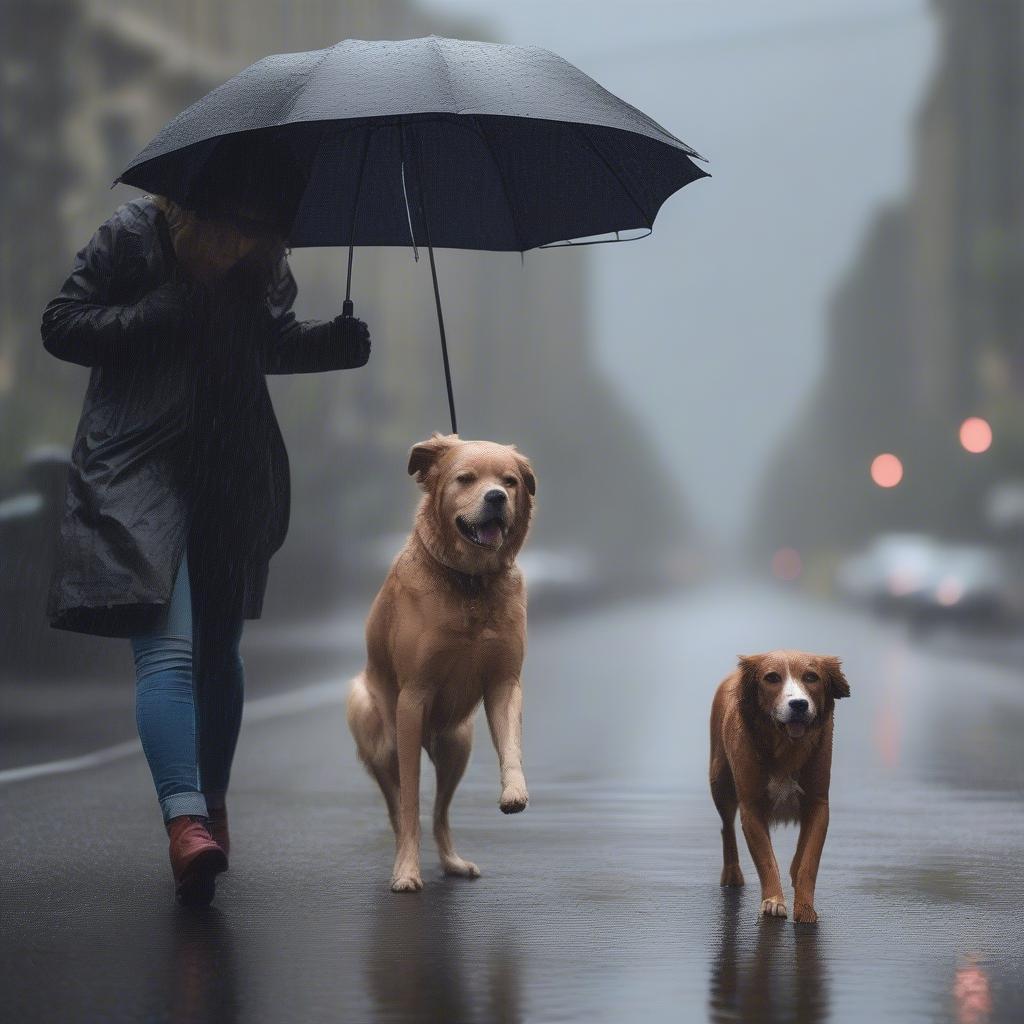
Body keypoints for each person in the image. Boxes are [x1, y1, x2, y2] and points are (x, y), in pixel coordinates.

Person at [40, 135, 372, 906]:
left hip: (232, 463)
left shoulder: (261, 265)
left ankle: (212, 808)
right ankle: (184, 819)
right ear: (192, 211)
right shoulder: (131, 236)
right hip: (135, 459)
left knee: (220, 648)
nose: (236, 246)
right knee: (166, 646)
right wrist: (156, 313)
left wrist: (330, 345)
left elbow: (269, 348)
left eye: (254, 234)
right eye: (225, 229)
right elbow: (62, 323)